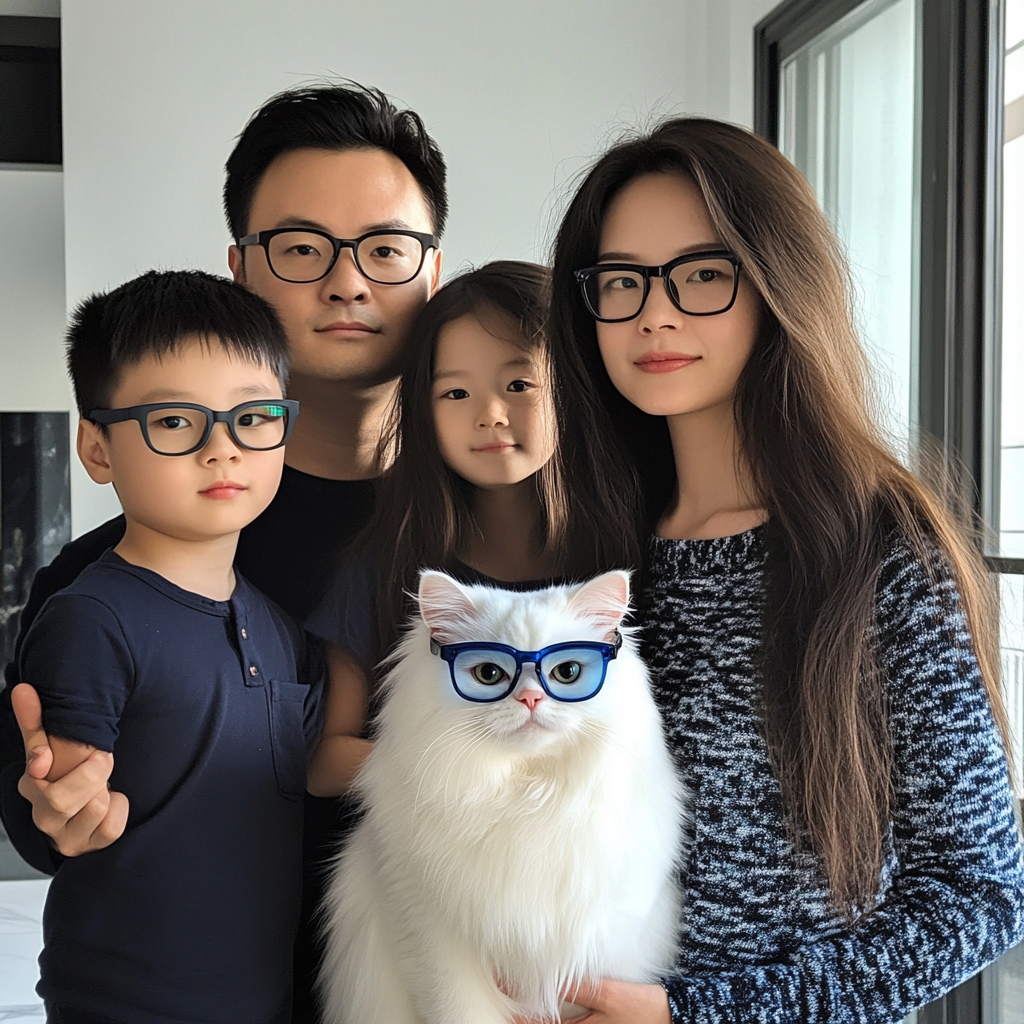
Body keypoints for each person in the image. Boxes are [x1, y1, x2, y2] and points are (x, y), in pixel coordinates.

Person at [530, 117, 1024, 1023]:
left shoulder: (877, 550)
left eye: (704, 274)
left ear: (777, 285)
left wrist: (694, 1015)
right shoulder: (593, 554)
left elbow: (979, 895)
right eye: (622, 281)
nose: (656, 312)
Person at [0, 82, 446, 1022]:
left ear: (433, 272)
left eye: (387, 248)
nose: (349, 280)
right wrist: (57, 812)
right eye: (300, 247)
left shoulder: (499, 535)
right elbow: (41, 815)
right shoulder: (105, 580)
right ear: (241, 269)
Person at [18, 269, 324, 1023]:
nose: (223, 450)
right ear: (97, 448)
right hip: (123, 1005)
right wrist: (68, 804)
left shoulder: (283, 631)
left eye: (252, 417)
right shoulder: (90, 616)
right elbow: (66, 803)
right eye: (176, 422)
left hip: (266, 1002)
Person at [303, 260, 637, 797]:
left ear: (574, 389)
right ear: (421, 410)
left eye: (519, 383)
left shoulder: (624, 546)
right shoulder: (387, 562)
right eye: (455, 394)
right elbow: (325, 760)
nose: (491, 414)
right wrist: (474, 775)